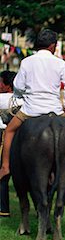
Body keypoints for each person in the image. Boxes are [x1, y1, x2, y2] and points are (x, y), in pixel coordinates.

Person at [0, 29, 65, 180]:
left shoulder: (27, 61)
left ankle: (5, 167)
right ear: (53, 46)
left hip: (30, 110)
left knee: (9, 131)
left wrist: (21, 94)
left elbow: (18, 85)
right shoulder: (60, 63)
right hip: (55, 111)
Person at [0, 70, 21, 217]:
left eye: (0, 82)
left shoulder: (1, 98)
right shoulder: (24, 99)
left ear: (8, 85)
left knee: (2, 174)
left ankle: (3, 208)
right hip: (22, 138)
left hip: (3, 137)